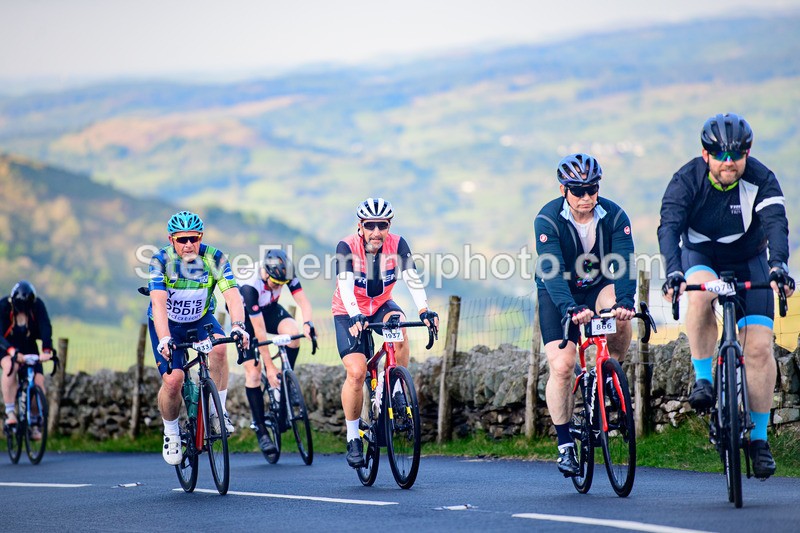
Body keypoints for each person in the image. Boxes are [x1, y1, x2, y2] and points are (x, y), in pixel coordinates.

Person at [658, 113, 794, 479]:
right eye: (720, 155)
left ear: (747, 153)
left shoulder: (761, 180)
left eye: (736, 155)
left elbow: (776, 223)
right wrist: (673, 269)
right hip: (701, 255)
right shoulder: (686, 180)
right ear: (706, 155)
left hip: (749, 259)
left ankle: (760, 441)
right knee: (700, 295)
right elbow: (669, 227)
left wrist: (779, 264)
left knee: (760, 349)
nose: (728, 162)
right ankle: (704, 377)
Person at [534, 153, 637, 477]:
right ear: (564, 189)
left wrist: (625, 301)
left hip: (598, 286)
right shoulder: (547, 219)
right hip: (558, 293)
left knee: (618, 315)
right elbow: (552, 270)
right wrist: (570, 308)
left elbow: (623, 261)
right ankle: (565, 444)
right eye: (578, 191)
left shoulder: (615, 214)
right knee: (563, 367)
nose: (586, 198)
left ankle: (608, 371)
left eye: (592, 189)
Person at [332, 197, 439, 468]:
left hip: (380, 306)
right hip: (348, 311)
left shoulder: (397, 244)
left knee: (400, 329)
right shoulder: (347, 246)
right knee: (356, 373)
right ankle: (353, 437)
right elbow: (345, 286)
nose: (377, 231)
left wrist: (424, 310)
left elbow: (412, 278)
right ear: (361, 226)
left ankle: (395, 390)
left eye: (382, 225)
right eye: (371, 225)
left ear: (389, 225)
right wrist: (355, 314)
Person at [148, 210, 250, 466]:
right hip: (168, 324)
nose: (189, 245)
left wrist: (239, 326)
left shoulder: (214, 257)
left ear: (201, 236)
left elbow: (232, 295)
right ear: (171, 240)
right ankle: (171, 432)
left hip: (200, 317)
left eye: (193, 238)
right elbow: (158, 305)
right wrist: (164, 339)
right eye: (182, 240)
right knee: (174, 380)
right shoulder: (160, 260)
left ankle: (218, 413)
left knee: (220, 349)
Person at [237, 248, 317, 454]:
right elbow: (260, 331)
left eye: (282, 285)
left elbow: (303, 302)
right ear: (265, 271)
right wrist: (270, 366)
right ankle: (261, 430)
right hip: (246, 318)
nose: (278, 286)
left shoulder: (284, 273)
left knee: (293, 334)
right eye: (275, 283)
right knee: (254, 372)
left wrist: (308, 323)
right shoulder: (250, 286)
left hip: (269, 308)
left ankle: (286, 381)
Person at [1, 280, 54, 440]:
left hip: (28, 345)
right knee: (11, 367)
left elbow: (45, 327)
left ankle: (35, 422)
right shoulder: (4, 306)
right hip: (5, 346)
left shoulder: (38, 305)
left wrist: (46, 350)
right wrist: (12, 351)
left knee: (38, 381)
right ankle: (10, 412)